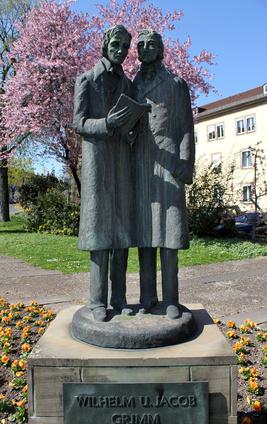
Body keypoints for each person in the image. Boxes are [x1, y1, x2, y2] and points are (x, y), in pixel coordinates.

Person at [73, 25, 135, 322]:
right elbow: (79, 122)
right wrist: (106, 123)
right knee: (98, 234)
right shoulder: (86, 80)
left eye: (125, 46)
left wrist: (131, 130)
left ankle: (119, 297)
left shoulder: (128, 83)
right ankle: (97, 301)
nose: (121, 50)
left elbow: (133, 122)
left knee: (121, 233)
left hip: (121, 160)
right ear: (105, 43)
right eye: (116, 44)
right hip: (97, 162)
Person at [133, 29, 195, 319]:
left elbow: (185, 127)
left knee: (169, 233)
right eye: (141, 45)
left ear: (161, 50)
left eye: (151, 45)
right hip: (142, 163)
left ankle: (171, 297)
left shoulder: (176, 84)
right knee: (146, 233)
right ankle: (147, 296)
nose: (145, 49)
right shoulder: (132, 84)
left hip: (170, 162)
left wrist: (186, 163)